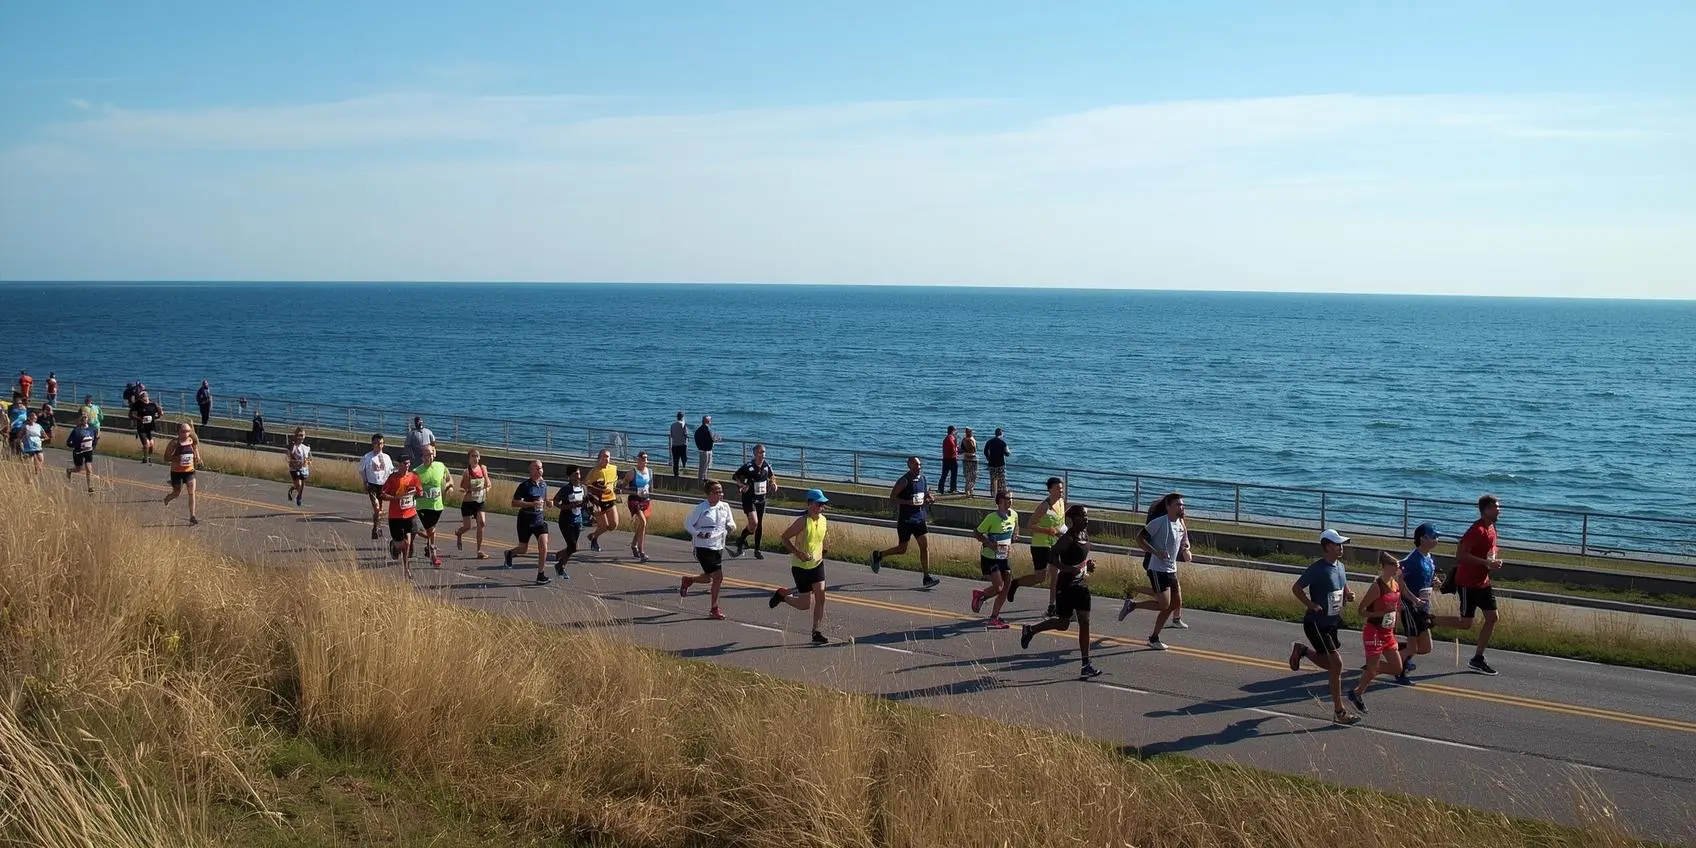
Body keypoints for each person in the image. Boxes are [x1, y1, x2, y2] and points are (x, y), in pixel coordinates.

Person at [1018, 504, 1104, 679]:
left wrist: (1088, 565)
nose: (1086, 520)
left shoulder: (1084, 535)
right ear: (1074, 519)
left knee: (1085, 623)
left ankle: (1086, 665)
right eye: (1083, 517)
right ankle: (1031, 630)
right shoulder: (1068, 538)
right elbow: (1052, 556)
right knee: (1063, 624)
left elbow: (1080, 558)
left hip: (1081, 585)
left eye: (1087, 516)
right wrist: (1067, 568)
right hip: (1066, 586)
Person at [1288, 529, 1361, 725]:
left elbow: (1343, 587)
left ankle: (1302, 650)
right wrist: (1311, 604)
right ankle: (1339, 712)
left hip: (1332, 623)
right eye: (1337, 544)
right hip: (1316, 623)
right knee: (1336, 665)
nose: (1341, 547)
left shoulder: (1340, 567)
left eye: (1342, 544)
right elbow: (1296, 588)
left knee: (1330, 665)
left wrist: (1349, 594)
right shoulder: (1317, 569)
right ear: (1327, 546)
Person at [1436, 495, 1505, 676]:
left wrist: (1493, 561)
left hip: (1483, 582)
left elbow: (1490, 549)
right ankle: (1429, 620)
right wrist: (1486, 562)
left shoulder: (1492, 527)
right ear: (1486, 510)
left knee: (1492, 617)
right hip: (1468, 582)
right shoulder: (1476, 530)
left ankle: (1478, 658)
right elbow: (1461, 554)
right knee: (1466, 623)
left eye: (1499, 507)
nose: (1499, 510)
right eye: (1496, 507)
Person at [1122, 492, 1192, 650]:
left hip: (1171, 569)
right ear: (1168, 506)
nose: (1182, 507)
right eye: (1178, 505)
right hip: (1157, 569)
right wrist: (1155, 552)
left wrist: (1186, 549)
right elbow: (1140, 538)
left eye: (1182, 505)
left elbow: (1184, 537)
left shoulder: (1180, 523)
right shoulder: (1159, 522)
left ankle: (1154, 638)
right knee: (1164, 604)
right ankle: (1133, 605)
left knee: (1174, 604)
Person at [1348, 552, 1409, 715]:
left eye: (1399, 566)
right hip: (1374, 631)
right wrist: (1380, 614)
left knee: (1397, 668)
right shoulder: (1377, 586)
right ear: (1386, 567)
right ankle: (1357, 693)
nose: (1399, 569)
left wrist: (1395, 623)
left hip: (1388, 632)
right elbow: (1361, 611)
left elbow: (1395, 607)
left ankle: (1370, 669)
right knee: (1373, 668)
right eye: (1396, 566)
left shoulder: (1396, 584)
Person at [868, 455, 940, 588]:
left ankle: (926, 577)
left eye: (920, 465)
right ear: (909, 466)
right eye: (915, 465)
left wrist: (930, 498)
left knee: (924, 547)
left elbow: (925, 494)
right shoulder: (904, 481)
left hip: (919, 519)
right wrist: (908, 502)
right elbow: (892, 498)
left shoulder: (923, 479)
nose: (918, 468)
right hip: (905, 521)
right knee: (902, 549)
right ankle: (878, 555)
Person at [771, 489, 832, 645]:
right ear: (809, 504)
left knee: (821, 598)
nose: (821, 507)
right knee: (805, 605)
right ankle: (783, 597)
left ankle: (816, 632)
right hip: (801, 567)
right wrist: (798, 553)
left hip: (817, 564)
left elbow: (823, 537)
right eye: (818, 504)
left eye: (823, 504)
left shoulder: (824, 520)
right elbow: (784, 538)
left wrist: (825, 547)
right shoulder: (802, 521)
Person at [1009, 477, 1066, 616]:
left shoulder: (1061, 502)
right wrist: (1047, 530)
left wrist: (1064, 533)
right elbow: (1030, 525)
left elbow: (1061, 523)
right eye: (1058, 489)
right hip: (1040, 546)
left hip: (1054, 544)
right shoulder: (1044, 507)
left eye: (1062, 488)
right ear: (1050, 490)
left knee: (1056, 574)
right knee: (1040, 578)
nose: (1061, 491)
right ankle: (1016, 583)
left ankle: (1052, 605)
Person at [682, 480, 737, 621]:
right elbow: (688, 524)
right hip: (703, 546)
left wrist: (731, 527)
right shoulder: (701, 508)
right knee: (718, 577)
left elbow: (731, 522)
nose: (720, 494)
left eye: (721, 491)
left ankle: (689, 580)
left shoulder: (725, 506)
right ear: (708, 494)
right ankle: (714, 608)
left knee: (708, 578)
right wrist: (697, 533)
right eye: (716, 492)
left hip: (718, 546)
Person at [1395, 523, 1442, 682]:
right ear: (1422, 539)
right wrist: (1413, 599)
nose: (1436, 540)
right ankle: (1399, 671)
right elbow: (1399, 580)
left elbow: (1427, 577)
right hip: (1409, 607)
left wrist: (1434, 581)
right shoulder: (1412, 560)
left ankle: (1397, 651)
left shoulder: (1429, 558)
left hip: (1423, 607)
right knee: (1413, 646)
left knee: (1426, 647)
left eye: (1437, 537)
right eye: (1433, 537)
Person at [969, 489, 1018, 629]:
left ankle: (994, 617)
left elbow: (1016, 528)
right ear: (1000, 502)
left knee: (1006, 586)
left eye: (1011, 498)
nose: (1010, 501)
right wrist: (990, 544)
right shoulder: (992, 518)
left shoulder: (1014, 514)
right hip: (990, 557)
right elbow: (977, 533)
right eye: (1007, 498)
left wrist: (1014, 536)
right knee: (998, 587)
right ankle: (980, 595)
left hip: (1004, 557)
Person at [504, 459, 552, 584]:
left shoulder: (544, 484)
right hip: (525, 520)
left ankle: (541, 574)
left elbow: (545, 499)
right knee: (523, 549)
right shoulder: (525, 485)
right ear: (530, 471)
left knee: (544, 545)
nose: (540, 470)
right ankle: (510, 553)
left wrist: (549, 502)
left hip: (539, 520)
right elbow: (514, 503)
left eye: (541, 467)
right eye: (537, 468)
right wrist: (531, 504)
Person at [729, 443, 780, 559]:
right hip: (749, 498)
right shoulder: (748, 466)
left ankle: (756, 549)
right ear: (755, 454)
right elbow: (735, 476)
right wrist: (742, 485)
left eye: (764, 452)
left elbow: (772, 476)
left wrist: (773, 483)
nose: (762, 454)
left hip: (761, 499)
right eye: (760, 452)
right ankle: (741, 540)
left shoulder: (766, 466)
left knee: (758, 525)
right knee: (754, 523)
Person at [380, 456, 424, 580]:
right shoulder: (393, 478)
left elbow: (420, 492)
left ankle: (406, 569)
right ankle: (394, 544)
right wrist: (396, 498)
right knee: (400, 545)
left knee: (407, 544)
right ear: (399, 464)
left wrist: (415, 493)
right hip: (395, 516)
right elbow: (383, 494)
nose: (407, 465)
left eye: (409, 463)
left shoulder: (413, 477)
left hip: (410, 513)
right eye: (405, 463)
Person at [413, 444, 453, 568]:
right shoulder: (417, 471)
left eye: (430, 454)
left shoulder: (440, 466)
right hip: (423, 506)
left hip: (437, 505)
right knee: (431, 530)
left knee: (431, 530)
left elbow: (449, 479)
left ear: (434, 455)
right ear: (421, 457)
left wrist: (448, 486)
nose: (428, 457)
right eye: (425, 455)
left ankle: (427, 545)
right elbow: (411, 488)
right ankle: (433, 555)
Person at [551, 465, 591, 577]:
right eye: (575, 474)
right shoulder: (566, 489)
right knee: (573, 547)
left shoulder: (583, 488)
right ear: (569, 476)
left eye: (579, 473)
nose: (578, 476)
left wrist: (590, 510)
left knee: (571, 548)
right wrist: (569, 506)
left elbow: (586, 501)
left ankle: (560, 562)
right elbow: (556, 502)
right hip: (566, 521)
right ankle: (561, 566)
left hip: (578, 520)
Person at [453, 448, 491, 559]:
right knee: (467, 527)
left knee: (482, 522)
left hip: (480, 501)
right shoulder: (467, 472)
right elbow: (463, 487)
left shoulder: (483, 469)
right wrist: (467, 490)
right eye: (473, 456)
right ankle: (459, 533)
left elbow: (488, 484)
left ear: (479, 458)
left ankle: (479, 550)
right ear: (469, 459)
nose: (475, 458)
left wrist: (485, 489)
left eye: (477, 456)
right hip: (468, 503)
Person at [161, 421, 200, 525]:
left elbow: (195, 450)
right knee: (177, 493)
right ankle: (168, 498)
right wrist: (176, 458)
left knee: (192, 492)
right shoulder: (174, 443)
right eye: (183, 431)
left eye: (188, 431)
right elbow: (166, 458)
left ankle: (192, 516)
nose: (186, 434)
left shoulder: (192, 441)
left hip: (189, 471)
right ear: (178, 432)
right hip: (176, 472)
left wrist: (197, 458)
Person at [358, 434, 395, 539]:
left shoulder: (387, 457)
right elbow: (361, 471)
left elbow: (391, 472)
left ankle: (377, 526)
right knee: (377, 507)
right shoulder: (367, 457)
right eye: (377, 444)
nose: (379, 446)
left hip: (384, 486)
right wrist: (365, 482)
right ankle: (376, 528)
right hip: (372, 485)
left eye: (381, 444)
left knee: (381, 510)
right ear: (373, 444)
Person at [583, 449, 620, 553]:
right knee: (603, 526)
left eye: (608, 456)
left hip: (610, 499)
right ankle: (594, 540)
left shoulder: (613, 468)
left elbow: (614, 481)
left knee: (613, 525)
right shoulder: (594, 472)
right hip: (598, 502)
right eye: (604, 456)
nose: (606, 459)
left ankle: (593, 535)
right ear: (599, 458)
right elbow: (585, 484)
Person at [621, 451, 655, 562]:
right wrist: (636, 492)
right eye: (642, 459)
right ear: (638, 460)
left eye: (646, 458)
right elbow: (622, 488)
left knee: (642, 524)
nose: (644, 461)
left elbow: (651, 488)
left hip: (645, 500)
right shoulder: (632, 473)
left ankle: (634, 544)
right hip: (634, 500)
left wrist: (647, 492)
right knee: (643, 522)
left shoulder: (650, 472)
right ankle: (642, 552)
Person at [65, 412, 98, 492]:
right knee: (78, 469)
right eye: (82, 418)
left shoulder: (92, 429)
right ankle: (69, 470)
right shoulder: (76, 430)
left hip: (88, 451)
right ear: (80, 419)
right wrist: (76, 445)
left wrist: (93, 446)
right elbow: (68, 442)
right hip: (78, 452)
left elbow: (95, 438)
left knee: (89, 469)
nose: (84, 419)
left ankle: (90, 487)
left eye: (85, 417)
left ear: (87, 418)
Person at [129, 390, 162, 464]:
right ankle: (145, 458)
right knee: (146, 443)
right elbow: (131, 415)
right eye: (143, 398)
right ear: (140, 399)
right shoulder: (137, 404)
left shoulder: (153, 404)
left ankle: (149, 456)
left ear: (148, 397)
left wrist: (156, 416)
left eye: (146, 398)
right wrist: (140, 419)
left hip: (150, 426)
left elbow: (160, 413)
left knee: (151, 444)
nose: (145, 400)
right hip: (141, 426)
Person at [285, 428, 311, 507]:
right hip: (294, 468)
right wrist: (294, 461)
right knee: (299, 485)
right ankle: (294, 491)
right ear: (296, 436)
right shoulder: (293, 446)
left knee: (302, 485)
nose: (301, 437)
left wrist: (308, 461)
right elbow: (288, 457)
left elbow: (309, 457)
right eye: (299, 435)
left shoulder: (305, 447)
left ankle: (298, 496)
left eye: (302, 435)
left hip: (303, 468)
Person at [984, 428, 1010, 497]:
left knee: (993, 480)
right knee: (1001, 480)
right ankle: (1001, 494)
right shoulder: (1003, 443)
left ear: (995, 433)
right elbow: (1007, 453)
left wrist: (988, 459)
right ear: (1001, 434)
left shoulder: (989, 442)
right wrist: (1005, 452)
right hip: (1000, 464)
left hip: (992, 464)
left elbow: (985, 451)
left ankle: (993, 494)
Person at [693, 415, 718, 481]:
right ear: (708, 421)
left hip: (702, 449)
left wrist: (699, 446)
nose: (711, 421)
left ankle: (703, 480)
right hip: (706, 450)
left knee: (703, 467)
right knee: (704, 467)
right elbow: (710, 439)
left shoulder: (699, 430)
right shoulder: (707, 430)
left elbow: (696, 437)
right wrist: (716, 439)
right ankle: (702, 481)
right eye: (710, 420)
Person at [940, 426, 960, 494]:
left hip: (946, 458)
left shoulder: (947, 438)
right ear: (952, 431)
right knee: (953, 475)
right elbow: (953, 449)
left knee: (944, 474)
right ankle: (952, 488)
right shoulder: (951, 438)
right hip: (952, 458)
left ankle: (941, 488)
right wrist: (957, 451)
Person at [960, 427, 979, 498]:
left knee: (967, 475)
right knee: (973, 476)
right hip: (972, 459)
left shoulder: (964, 439)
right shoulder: (970, 440)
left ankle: (968, 490)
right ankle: (969, 490)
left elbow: (961, 449)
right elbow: (973, 449)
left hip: (965, 458)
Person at [669, 411, 689, 477]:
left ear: (677, 417)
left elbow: (671, 435)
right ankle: (684, 469)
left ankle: (676, 474)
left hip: (674, 445)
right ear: (682, 417)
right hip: (682, 444)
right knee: (684, 458)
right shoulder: (683, 425)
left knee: (675, 460)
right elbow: (686, 434)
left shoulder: (672, 425)